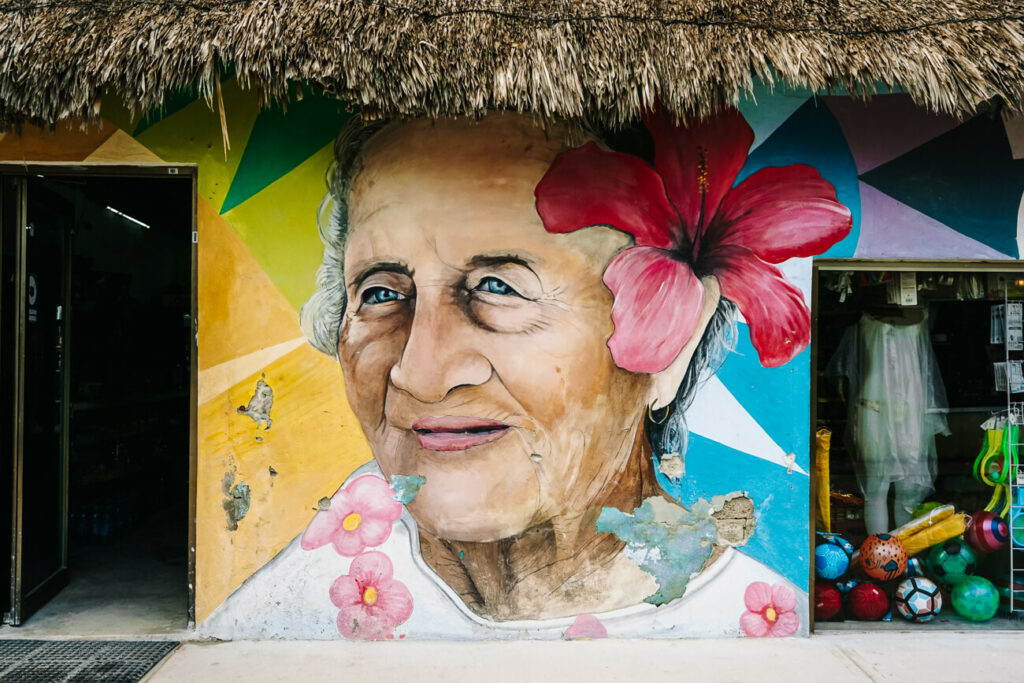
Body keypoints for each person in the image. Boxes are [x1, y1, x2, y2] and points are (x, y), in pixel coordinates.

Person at [201, 109, 850, 639]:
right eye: (378, 293)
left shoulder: (750, 622)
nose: (419, 373)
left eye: (498, 286)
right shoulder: (300, 587)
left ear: (670, 346)